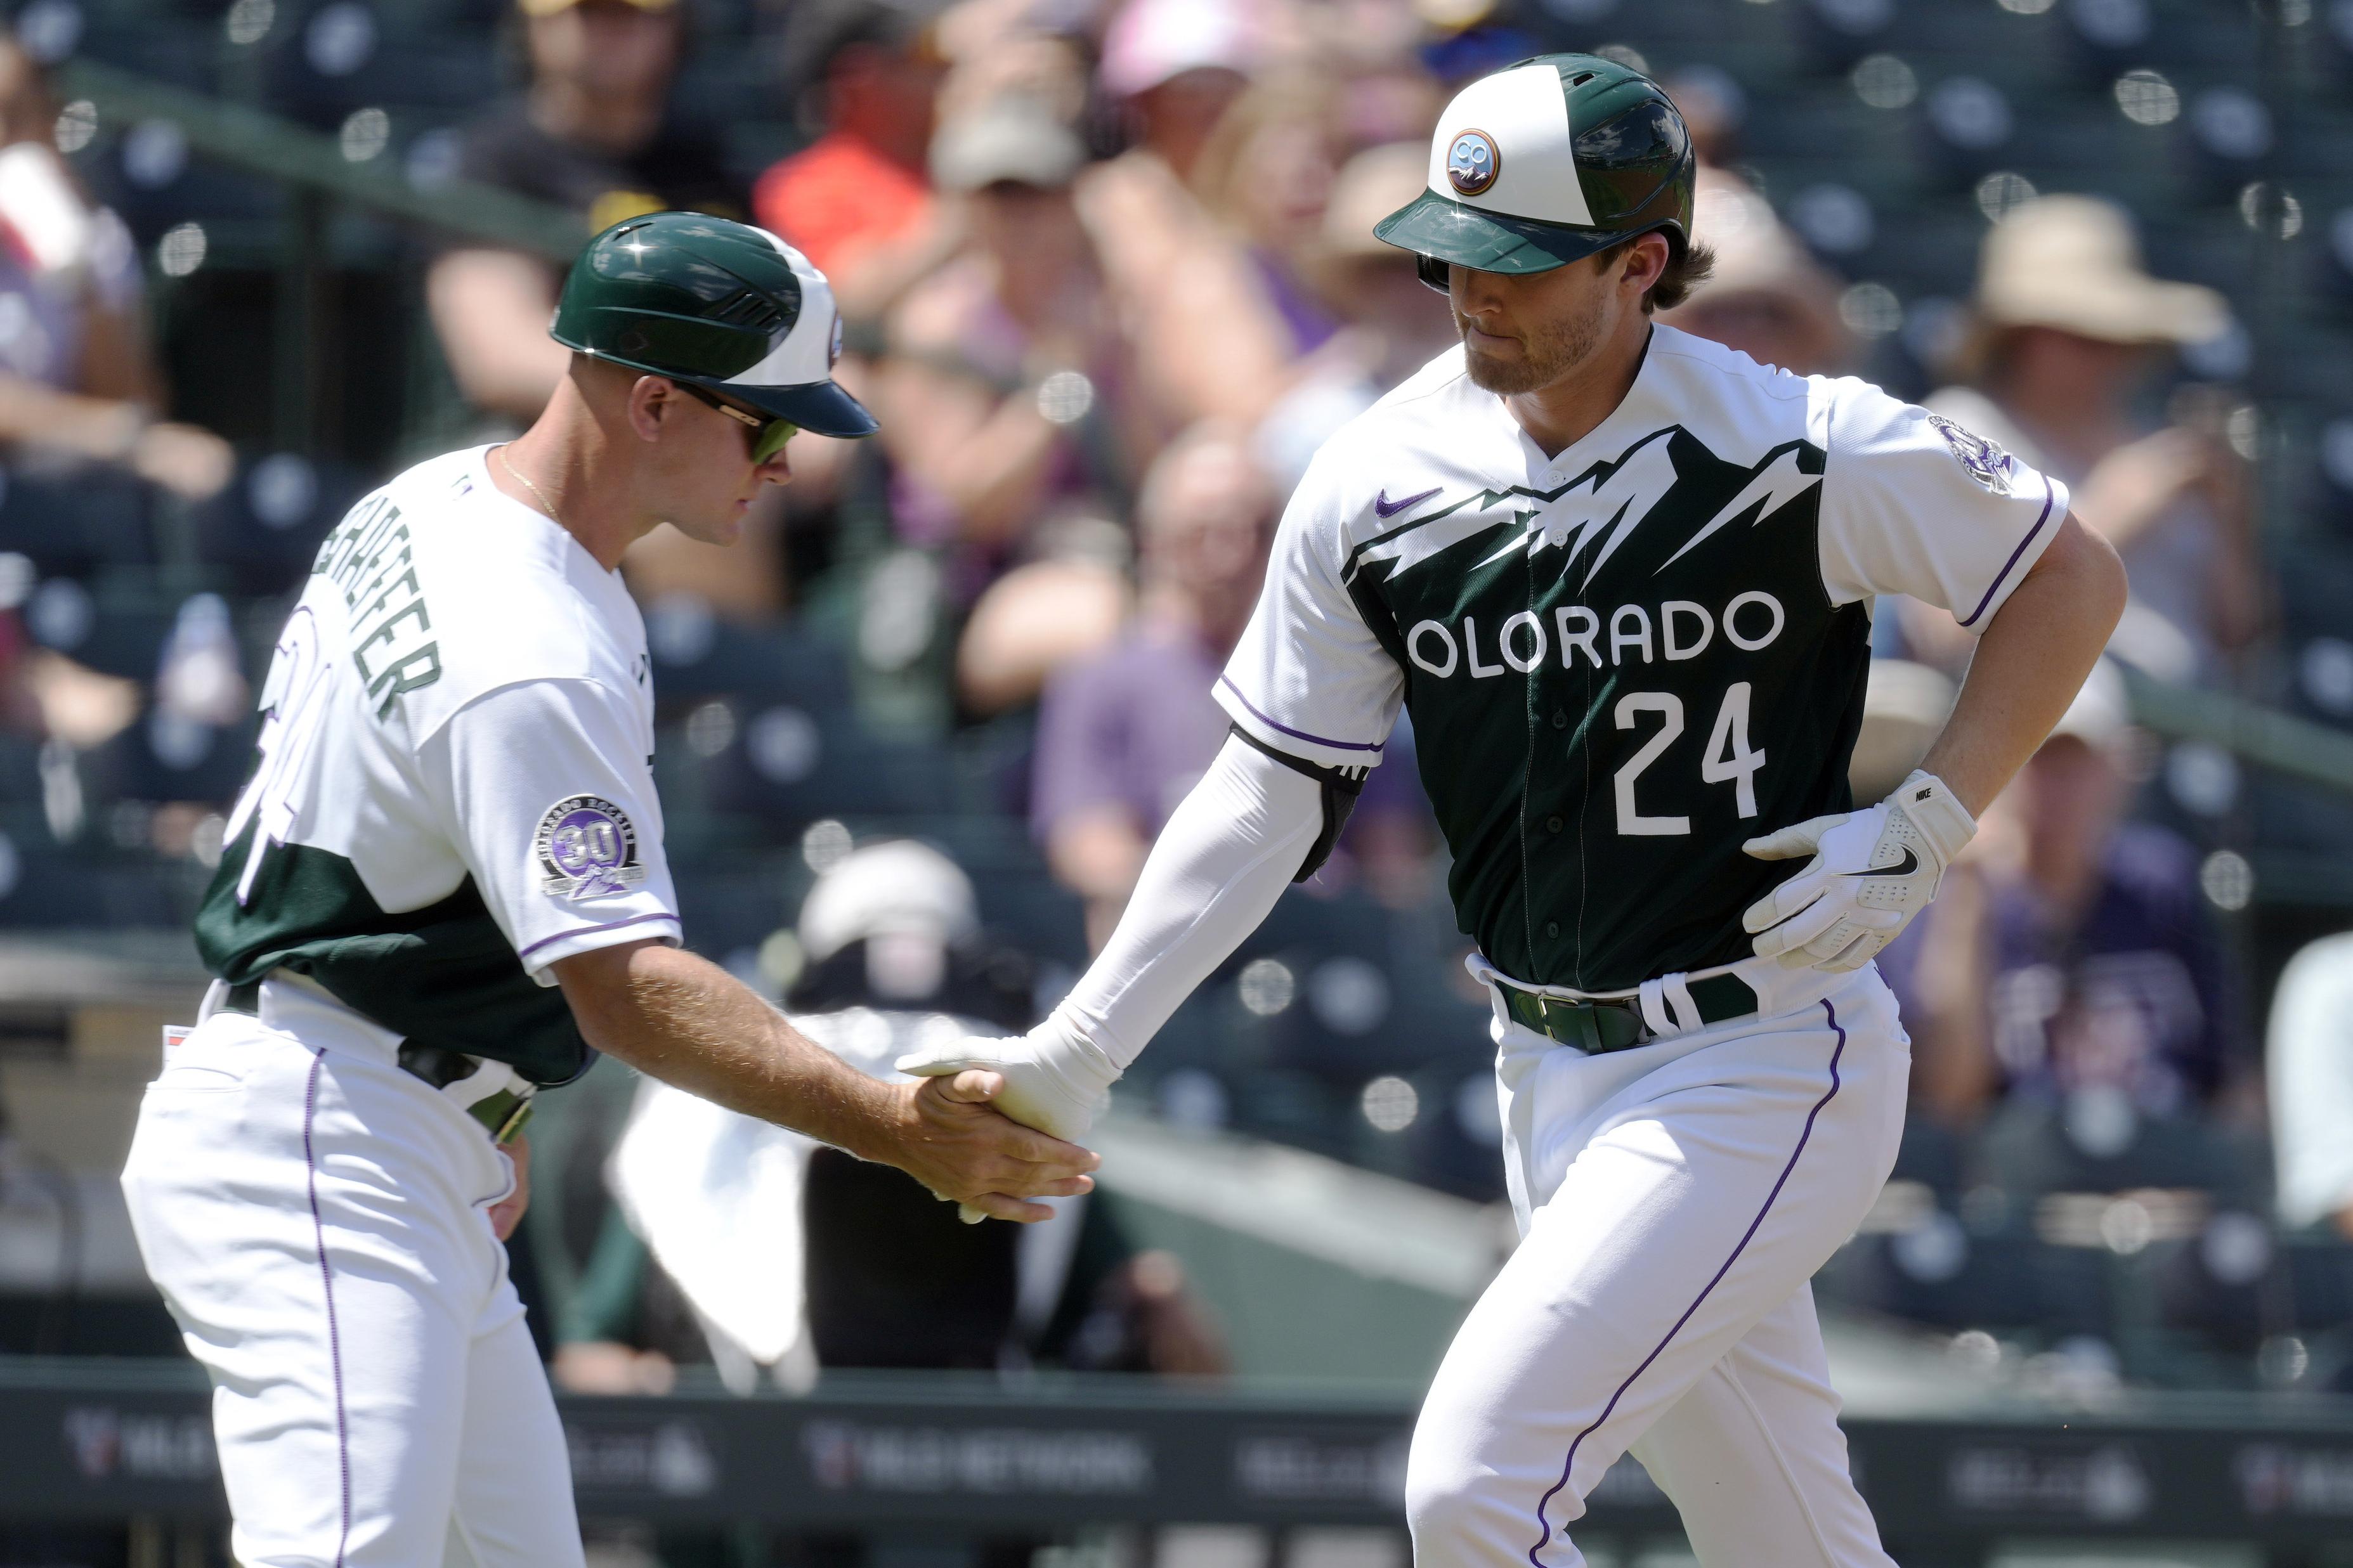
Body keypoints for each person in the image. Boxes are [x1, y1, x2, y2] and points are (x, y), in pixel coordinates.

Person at [893, 56, 2125, 1568]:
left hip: (1759, 1056)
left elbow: (2070, 573)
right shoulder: (1376, 473)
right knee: (1788, 1541)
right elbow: (1270, 789)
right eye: (1449, 248)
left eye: (1517, 259)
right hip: (1546, 1064)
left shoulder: (1799, 443)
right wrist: (1083, 1053)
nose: (1468, 288)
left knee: (1474, 1490)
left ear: (1642, 263)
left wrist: (1933, 815)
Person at [118, 213, 1096, 1568]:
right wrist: (886, 1122)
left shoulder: (434, 499)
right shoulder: (530, 639)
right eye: (761, 424)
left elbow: (382, 839)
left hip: (382, 1110)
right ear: (650, 399)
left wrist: (488, 1095)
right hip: (327, 1137)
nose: (786, 460)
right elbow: (624, 988)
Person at [1905, 195, 2258, 684]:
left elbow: (2242, 639)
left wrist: (2231, 522)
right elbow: (1938, 636)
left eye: (2122, 338)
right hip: (2042, 731)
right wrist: (2114, 509)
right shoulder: (1960, 427)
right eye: (2082, 335)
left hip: (2184, 732)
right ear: (2019, 337)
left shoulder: (2168, 453)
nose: (2109, 357)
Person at [1882, 661, 2240, 1130]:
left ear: (2117, 767)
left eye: (2079, 761)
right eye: (2040, 757)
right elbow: (1951, 1097)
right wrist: (1966, 890)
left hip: (2165, 1178)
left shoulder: (2163, 884)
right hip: (2016, 1190)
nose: (2061, 786)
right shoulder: (1949, 896)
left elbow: (2231, 1083)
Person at [427, 0, 745, 427]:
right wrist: (694, 394)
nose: (608, 34)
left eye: (629, 16)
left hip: (689, 441)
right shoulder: (496, 162)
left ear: (675, 30)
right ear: (533, 27)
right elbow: (501, 360)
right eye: (588, 13)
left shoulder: (707, 171)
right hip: (541, 444)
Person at [1028, 424, 1275, 947]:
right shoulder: (1101, 678)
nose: (1230, 554)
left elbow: (1390, 864)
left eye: (1254, 528)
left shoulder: (1325, 680)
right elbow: (1088, 846)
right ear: (1155, 537)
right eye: (1203, 531)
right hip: (1180, 944)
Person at [0, 39, 230, 500]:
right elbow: (115, 427)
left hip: (59, 486)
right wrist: (97, 430)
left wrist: (79, 279)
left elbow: (131, 406)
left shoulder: (88, 235)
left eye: (14, 116)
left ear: (49, 121)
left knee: (199, 467)